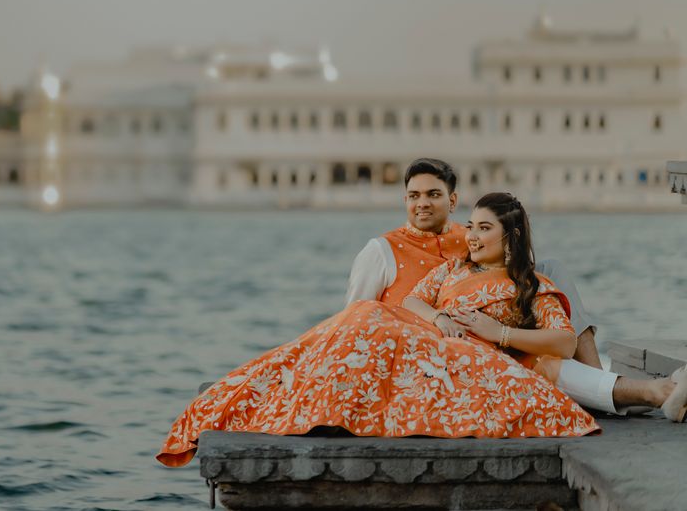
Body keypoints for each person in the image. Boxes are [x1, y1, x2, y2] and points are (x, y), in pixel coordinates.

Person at [157, 193, 600, 468]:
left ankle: (613, 389)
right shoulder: (437, 261)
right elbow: (408, 300)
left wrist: (495, 333)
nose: (472, 235)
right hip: (415, 331)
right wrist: (438, 319)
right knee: (362, 316)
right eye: (472, 226)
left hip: (471, 350)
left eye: (483, 228)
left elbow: (559, 337)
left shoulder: (532, 280)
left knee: (372, 328)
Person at [346, 158, 681, 417]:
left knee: (549, 273)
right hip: (429, 347)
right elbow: (358, 317)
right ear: (404, 199)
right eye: (414, 196)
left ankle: (600, 379)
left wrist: (501, 331)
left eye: (434, 194)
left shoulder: (468, 241)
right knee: (535, 358)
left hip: (497, 334)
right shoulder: (382, 250)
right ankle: (625, 391)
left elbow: (509, 266)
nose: (423, 203)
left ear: (452, 200)